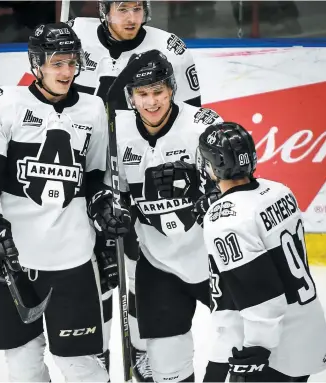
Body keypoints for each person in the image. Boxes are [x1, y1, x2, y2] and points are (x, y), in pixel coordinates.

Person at [0, 22, 130, 382]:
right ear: (36, 64)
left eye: (72, 62)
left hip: (72, 261)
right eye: (57, 63)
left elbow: (97, 177)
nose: (67, 72)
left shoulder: (93, 109)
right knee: (24, 369)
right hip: (13, 262)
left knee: (83, 368)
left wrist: (102, 205)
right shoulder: (4, 103)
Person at [66, 2, 202, 379]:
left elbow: (186, 122)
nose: (131, 18)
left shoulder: (170, 48)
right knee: (98, 277)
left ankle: (140, 350)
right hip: (85, 173)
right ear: (105, 9)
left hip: (134, 168)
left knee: (137, 269)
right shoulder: (74, 37)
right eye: (122, 8)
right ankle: (98, 355)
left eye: (138, 8)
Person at [108, 50, 223, 382]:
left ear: (172, 90)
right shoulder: (119, 132)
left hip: (213, 261)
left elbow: (233, 185)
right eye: (142, 94)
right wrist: (114, 213)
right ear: (131, 97)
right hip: (159, 266)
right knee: (167, 370)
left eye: (158, 91)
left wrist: (203, 191)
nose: (151, 102)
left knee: (245, 345)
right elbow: (114, 193)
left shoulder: (202, 124)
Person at [196, 122, 326, 382]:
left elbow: (259, 292)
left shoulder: (224, 219)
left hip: (272, 349)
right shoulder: (280, 190)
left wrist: (257, 347)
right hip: (308, 330)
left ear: (212, 166)